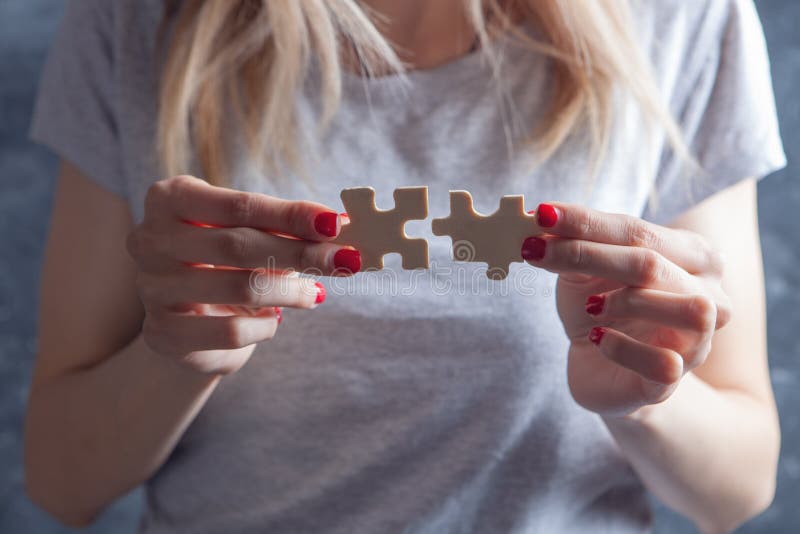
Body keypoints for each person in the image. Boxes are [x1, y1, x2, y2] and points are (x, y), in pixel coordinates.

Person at [23, 0, 786, 532]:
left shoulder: (683, 19)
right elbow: (62, 486)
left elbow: (738, 492)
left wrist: (647, 398)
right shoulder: (139, 21)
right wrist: (177, 359)